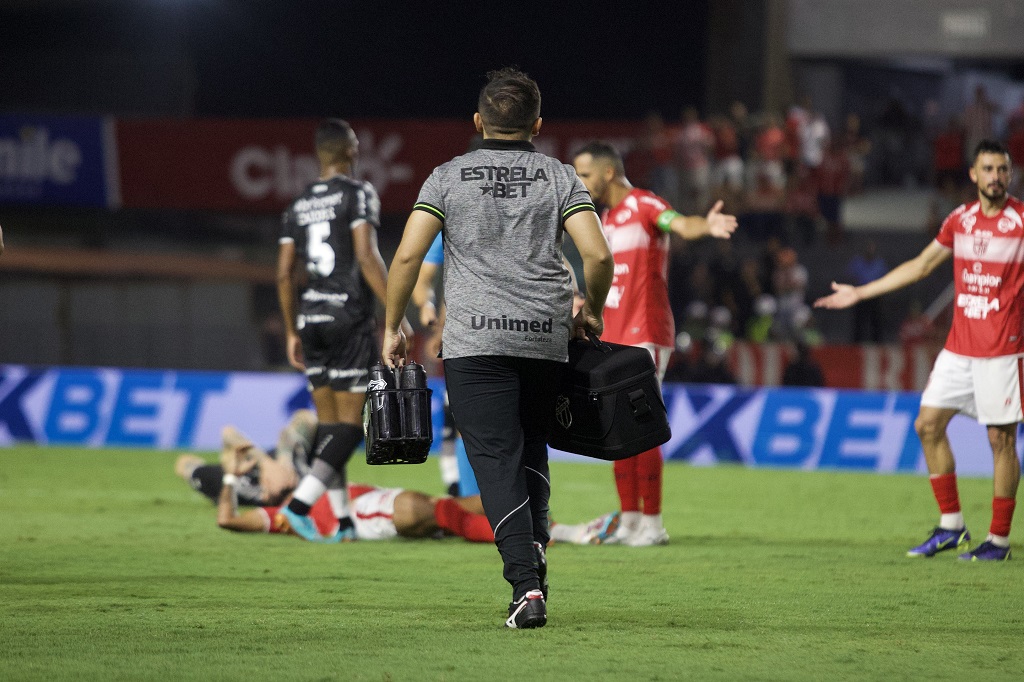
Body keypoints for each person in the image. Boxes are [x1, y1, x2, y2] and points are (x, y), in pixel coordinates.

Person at [381, 67, 614, 629]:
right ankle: (534, 550)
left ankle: (526, 587)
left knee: (493, 459)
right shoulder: (559, 177)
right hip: (544, 337)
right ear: (537, 125)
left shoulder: (446, 178)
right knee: (532, 447)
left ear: (479, 121)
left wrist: (393, 325)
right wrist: (593, 311)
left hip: (476, 342)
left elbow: (408, 256)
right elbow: (598, 256)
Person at [815, 139, 1023, 561]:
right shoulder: (960, 219)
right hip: (959, 349)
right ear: (973, 174)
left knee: (1000, 439)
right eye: (988, 169)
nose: (996, 177)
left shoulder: (1020, 221)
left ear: (1010, 175)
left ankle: (998, 541)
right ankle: (951, 527)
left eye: (1002, 170)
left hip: (1002, 350)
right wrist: (861, 293)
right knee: (927, 425)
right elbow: (921, 265)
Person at [572, 141, 738, 547]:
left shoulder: (646, 204)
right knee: (615, 428)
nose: (580, 182)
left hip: (644, 333)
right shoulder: (605, 220)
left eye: (584, 174)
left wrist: (705, 226)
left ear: (608, 172)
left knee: (641, 428)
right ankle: (630, 521)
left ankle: (653, 524)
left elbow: (680, 225)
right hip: (610, 335)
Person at [276, 118, 410, 543]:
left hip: (309, 319)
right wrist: (395, 314)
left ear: (318, 153)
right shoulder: (357, 192)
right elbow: (366, 256)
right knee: (350, 429)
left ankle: (343, 522)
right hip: (347, 318)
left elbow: (283, 273)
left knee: (330, 428)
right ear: (351, 150)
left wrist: (291, 331)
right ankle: (298, 506)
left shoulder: (297, 204)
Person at [214, 440, 494, 544]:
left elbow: (301, 422)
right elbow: (227, 520)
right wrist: (230, 475)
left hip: (375, 497)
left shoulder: (308, 479)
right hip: (363, 515)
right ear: (264, 494)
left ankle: (514, 515)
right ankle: (509, 538)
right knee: (423, 509)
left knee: (456, 505)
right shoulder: (281, 514)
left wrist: (271, 459)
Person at [175, 409, 317, 506]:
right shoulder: (300, 467)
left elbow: (183, 463)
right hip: (263, 460)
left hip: (239, 471)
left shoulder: (239, 488)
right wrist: (280, 462)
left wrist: (231, 469)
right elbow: (306, 417)